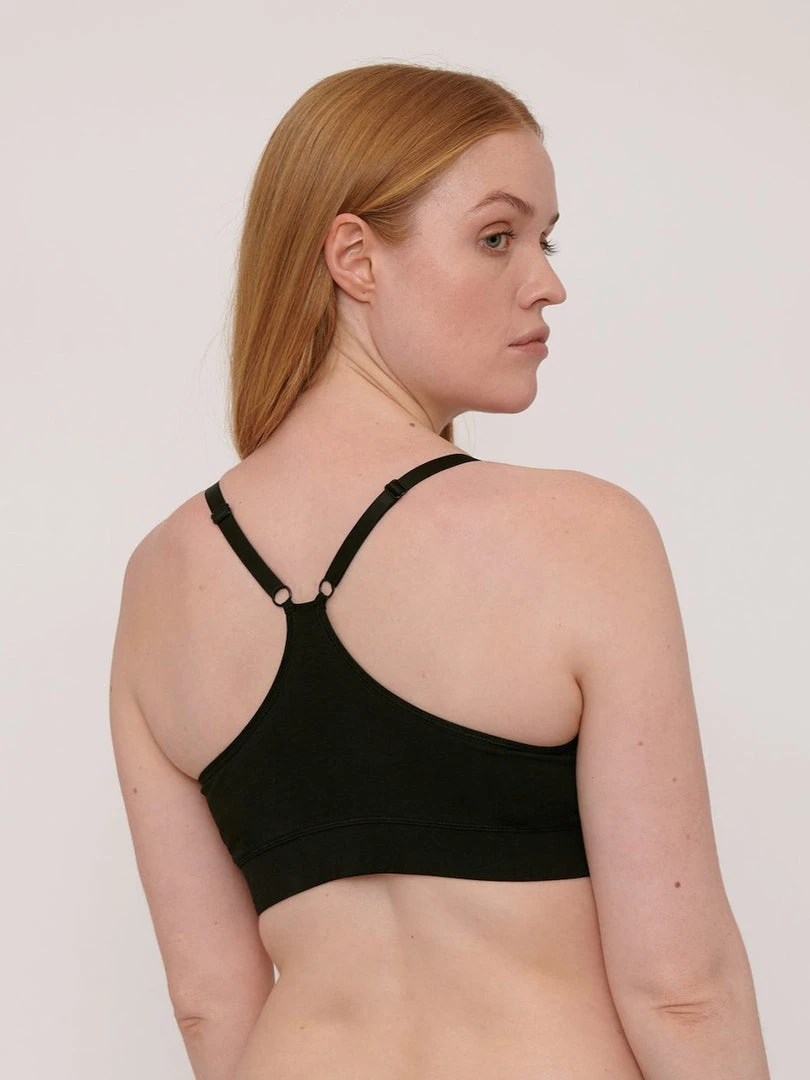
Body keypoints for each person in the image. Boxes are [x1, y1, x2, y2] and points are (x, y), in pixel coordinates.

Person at [109, 62, 770, 1080]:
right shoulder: (583, 536)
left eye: (546, 241)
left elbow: (208, 1005)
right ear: (355, 258)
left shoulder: (159, 583)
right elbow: (680, 986)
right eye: (498, 237)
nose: (546, 282)